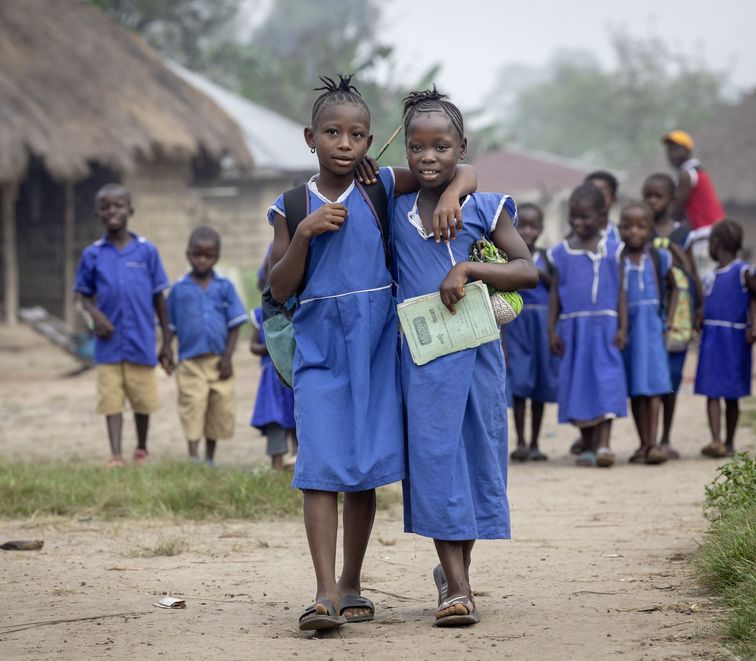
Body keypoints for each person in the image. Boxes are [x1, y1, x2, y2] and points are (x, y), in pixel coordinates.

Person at [266, 75, 476, 631]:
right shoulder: (291, 205)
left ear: (369, 140)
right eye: (332, 132)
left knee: (362, 472)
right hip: (321, 350)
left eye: (357, 134)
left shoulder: (380, 184)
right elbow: (280, 287)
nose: (345, 143)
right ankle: (323, 592)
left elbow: (462, 171)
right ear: (310, 137)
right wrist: (306, 233)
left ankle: (354, 585)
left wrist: (453, 194)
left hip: (378, 345)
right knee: (318, 468)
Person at [392, 89, 537, 626]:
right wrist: (455, 181)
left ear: (460, 148)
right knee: (434, 465)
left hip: (478, 360)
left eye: (442, 147)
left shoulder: (482, 207)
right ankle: (455, 585)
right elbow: (373, 173)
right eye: (417, 147)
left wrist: (471, 270)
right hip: (425, 362)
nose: (429, 157)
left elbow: (526, 270)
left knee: (475, 464)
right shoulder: (394, 204)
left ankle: (459, 575)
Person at [74, 183, 171, 467]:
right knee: (111, 400)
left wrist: (166, 341)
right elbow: (83, 295)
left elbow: (159, 299)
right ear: (97, 214)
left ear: (130, 211)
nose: (112, 211)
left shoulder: (147, 251)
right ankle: (115, 454)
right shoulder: (92, 254)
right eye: (105, 207)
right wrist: (96, 315)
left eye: (118, 206)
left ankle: (141, 448)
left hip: (141, 340)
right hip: (108, 345)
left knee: (142, 399)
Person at [548, 184, 627, 468]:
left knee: (606, 381)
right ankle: (589, 446)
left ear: (602, 216)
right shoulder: (561, 252)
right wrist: (552, 330)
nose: (579, 223)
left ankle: (604, 445)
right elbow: (555, 293)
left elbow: (621, 292)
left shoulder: (614, 250)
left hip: (605, 326)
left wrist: (622, 328)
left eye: (586, 217)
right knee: (578, 384)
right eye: (575, 217)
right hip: (573, 329)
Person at [162, 226, 247, 466]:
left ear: (217, 257)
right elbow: (170, 326)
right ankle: (193, 456)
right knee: (192, 406)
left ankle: (210, 457)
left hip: (219, 361)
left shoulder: (225, 287)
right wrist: (167, 349)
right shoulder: (178, 290)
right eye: (196, 255)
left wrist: (228, 357)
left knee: (218, 408)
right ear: (187, 255)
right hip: (190, 362)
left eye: (208, 256)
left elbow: (235, 324)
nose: (202, 260)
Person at [643, 173, 696, 457]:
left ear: (672, 199)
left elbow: (692, 273)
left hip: (681, 313)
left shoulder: (682, 233)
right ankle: (649, 439)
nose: (652, 201)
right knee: (653, 376)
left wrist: (700, 309)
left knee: (673, 376)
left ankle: (666, 436)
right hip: (651, 313)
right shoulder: (640, 231)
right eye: (647, 196)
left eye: (657, 196)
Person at [694, 219, 756, 458]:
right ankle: (716, 440)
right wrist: (701, 315)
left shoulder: (743, 272)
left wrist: (753, 324)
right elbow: (709, 303)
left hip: (734, 339)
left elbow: (754, 296)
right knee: (712, 390)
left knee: (731, 393)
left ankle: (728, 442)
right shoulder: (711, 276)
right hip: (712, 338)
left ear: (716, 243)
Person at [503, 202, 559, 462]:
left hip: (542, 327)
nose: (527, 231)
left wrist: (552, 329)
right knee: (519, 383)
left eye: (532, 226)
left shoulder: (546, 258)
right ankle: (521, 441)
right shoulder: (507, 257)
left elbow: (555, 289)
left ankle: (536, 442)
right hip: (517, 325)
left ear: (541, 229)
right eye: (521, 226)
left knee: (540, 384)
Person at [618, 203, 672, 465]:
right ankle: (642, 444)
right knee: (637, 389)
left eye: (641, 226)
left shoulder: (659, 257)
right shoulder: (618, 260)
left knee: (654, 389)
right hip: (630, 332)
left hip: (653, 329)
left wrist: (669, 321)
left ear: (651, 229)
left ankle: (653, 444)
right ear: (619, 229)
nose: (633, 232)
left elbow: (674, 287)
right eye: (627, 226)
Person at [250, 253, 297, 471]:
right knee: (275, 420)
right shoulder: (259, 315)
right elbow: (253, 345)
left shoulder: (295, 309)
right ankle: (277, 466)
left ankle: (297, 459)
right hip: (271, 379)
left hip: (289, 374)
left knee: (295, 418)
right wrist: (271, 346)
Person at [662, 130, 725, 285]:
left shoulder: (687, 174)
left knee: (704, 280)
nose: (671, 154)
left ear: (687, 151)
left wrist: (661, 226)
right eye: (669, 150)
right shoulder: (697, 171)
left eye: (676, 149)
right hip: (712, 232)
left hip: (705, 236)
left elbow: (676, 210)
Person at [585, 170, 620, 242]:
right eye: (592, 194)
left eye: (602, 195)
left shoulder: (622, 235)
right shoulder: (573, 236)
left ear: (613, 199)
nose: (598, 199)